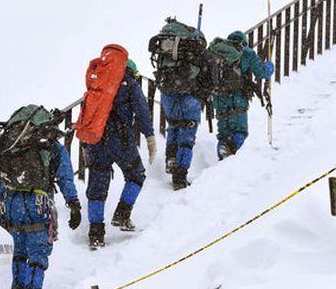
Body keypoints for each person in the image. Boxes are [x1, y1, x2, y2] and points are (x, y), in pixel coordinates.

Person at [0, 106, 81, 289]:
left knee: (19, 247)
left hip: (11, 199)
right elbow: (65, 176)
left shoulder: (12, 144)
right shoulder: (52, 147)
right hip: (38, 201)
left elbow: (2, 174)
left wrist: (2, 207)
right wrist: (73, 202)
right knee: (38, 248)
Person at [86, 59, 156, 248]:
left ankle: (96, 233)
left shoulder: (97, 82)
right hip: (120, 139)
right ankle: (122, 215)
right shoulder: (130, 84)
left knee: (97, 188)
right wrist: (149, 137)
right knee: (136, 174)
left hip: (96, 138)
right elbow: (142, 111)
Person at [149, 18, 217, 190]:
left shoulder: (168, 52)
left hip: (168, 93)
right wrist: (203, 94)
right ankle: (180, 175)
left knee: (173, 126)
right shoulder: (200, 53)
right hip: (190, 96)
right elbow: (212, 79)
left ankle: (170, 158)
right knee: (187, 135)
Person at [211, 31, 274, 159]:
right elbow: (262, 72)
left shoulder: (216, 52)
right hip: (237, 98)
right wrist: (270, 66)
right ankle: (231, 153)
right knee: (240, 131)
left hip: (219, 97)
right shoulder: (247, 53)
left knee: (223, 134)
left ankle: (223, 152)